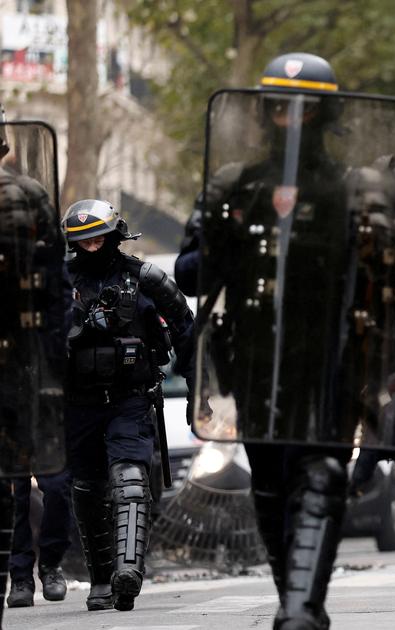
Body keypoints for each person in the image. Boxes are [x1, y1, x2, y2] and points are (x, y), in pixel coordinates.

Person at [183, 52, 395, 630]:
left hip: (334, 362)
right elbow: (191, 275)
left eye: (305, 109)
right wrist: (221, 241)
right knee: (272, 486)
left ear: (326, 113)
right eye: (281, 110)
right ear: (265, 114)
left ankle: (302, 608)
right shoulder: (236, 185)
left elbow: (392, 281)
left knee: (322, 476)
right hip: (257, 364)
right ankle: (295, 595)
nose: (292, 120)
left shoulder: (357, 189)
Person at [60, 199, 194, 612]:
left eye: (99, 237)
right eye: (84, 240)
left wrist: (197, 391)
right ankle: (100, 580)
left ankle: (129, 571)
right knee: (85, 486)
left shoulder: (146, 279)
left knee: (130, 478)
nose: (93, 245)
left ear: (115, 234)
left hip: (130, 399)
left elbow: (187, 329)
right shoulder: (59, 284)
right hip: (76, 402)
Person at [0, 114, 70, 624]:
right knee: (11, 483)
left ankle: (47, 566)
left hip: (29, 356)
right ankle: (19, 574)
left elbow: (55, 278)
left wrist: (54, 347)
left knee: (50, 479)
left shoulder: (27, 196)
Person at [6, 472, 71, 607]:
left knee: (57, 487)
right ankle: (20, 577)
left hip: (46, 451)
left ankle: (50, 565)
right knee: (14, 496)